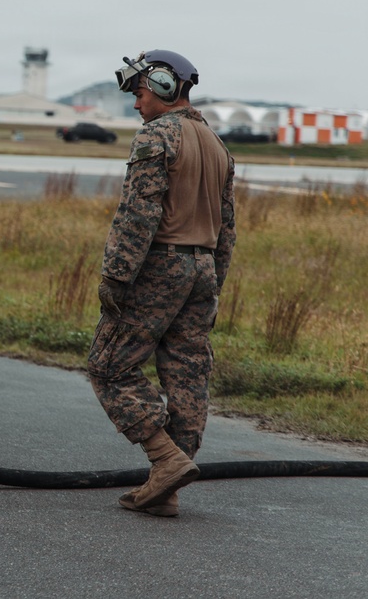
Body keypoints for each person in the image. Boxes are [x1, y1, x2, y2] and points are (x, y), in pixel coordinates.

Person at [88, 50, 236, 517]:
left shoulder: (157, 136)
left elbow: (139, 213)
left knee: (109, 365)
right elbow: (227, 228)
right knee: (187, 375)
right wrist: (212, 281)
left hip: (159, 267)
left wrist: (116, 275)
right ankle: (166, 489)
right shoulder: (216, 144)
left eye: (140, 91)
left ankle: (165, 459)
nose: (136, 103)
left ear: (164, 86)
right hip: (202, 270)